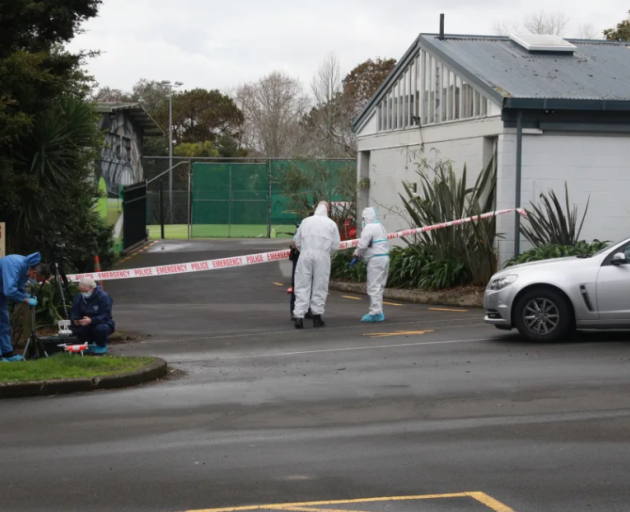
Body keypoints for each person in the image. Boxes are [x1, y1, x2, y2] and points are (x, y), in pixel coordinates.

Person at [293, 201, 341, 329]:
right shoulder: (331, 224)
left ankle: (299, 317)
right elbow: (336, 245)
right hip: (322, 256)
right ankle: (316, 317)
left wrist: (304, 250)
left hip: (305, 254)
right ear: (327, 210)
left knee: (302, 284)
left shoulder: (305, 221)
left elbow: (297, 241)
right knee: (320, 285)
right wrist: (326, 253)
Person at [0, 253, 50, 362]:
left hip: (1, 294)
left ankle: (7, 354)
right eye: (38, 280)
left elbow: (19, 286)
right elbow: (10, 290)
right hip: (3, 292)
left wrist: (25, 295)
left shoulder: (26, 269)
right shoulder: (13, 264)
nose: (36, 282)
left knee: (4, 322)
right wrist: (26, 300)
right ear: (34, 272)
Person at [353, 207, 390, 323]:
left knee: (373, 286)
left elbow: (363, 244)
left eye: (364, 218)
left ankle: (375, 313)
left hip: (375, 260)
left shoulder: (369, 228)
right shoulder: (381, 227)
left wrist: (356, 254)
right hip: (385, 258)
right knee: (379, 287)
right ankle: (379, 311)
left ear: (366, 218)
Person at [71, 277, 115, 355]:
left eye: (86, 291)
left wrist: (91, 320)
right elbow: (75, 312)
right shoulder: (79, 297)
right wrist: (76, 321)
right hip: (85, 322)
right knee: (76, 329)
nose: (84, 293)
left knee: (100, 329)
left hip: (103, 322)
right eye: (82, 291)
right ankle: (88, 344)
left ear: (93, 288)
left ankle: (101, 344)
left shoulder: (104, 297)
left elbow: (105, 315)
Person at [289, 214, 313, 321]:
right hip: (299, 257)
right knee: (297, 284)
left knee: (309, 284)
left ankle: (307, 310)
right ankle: (295, 310)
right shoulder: (301, 227)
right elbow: (295, 243)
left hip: (306, 257)